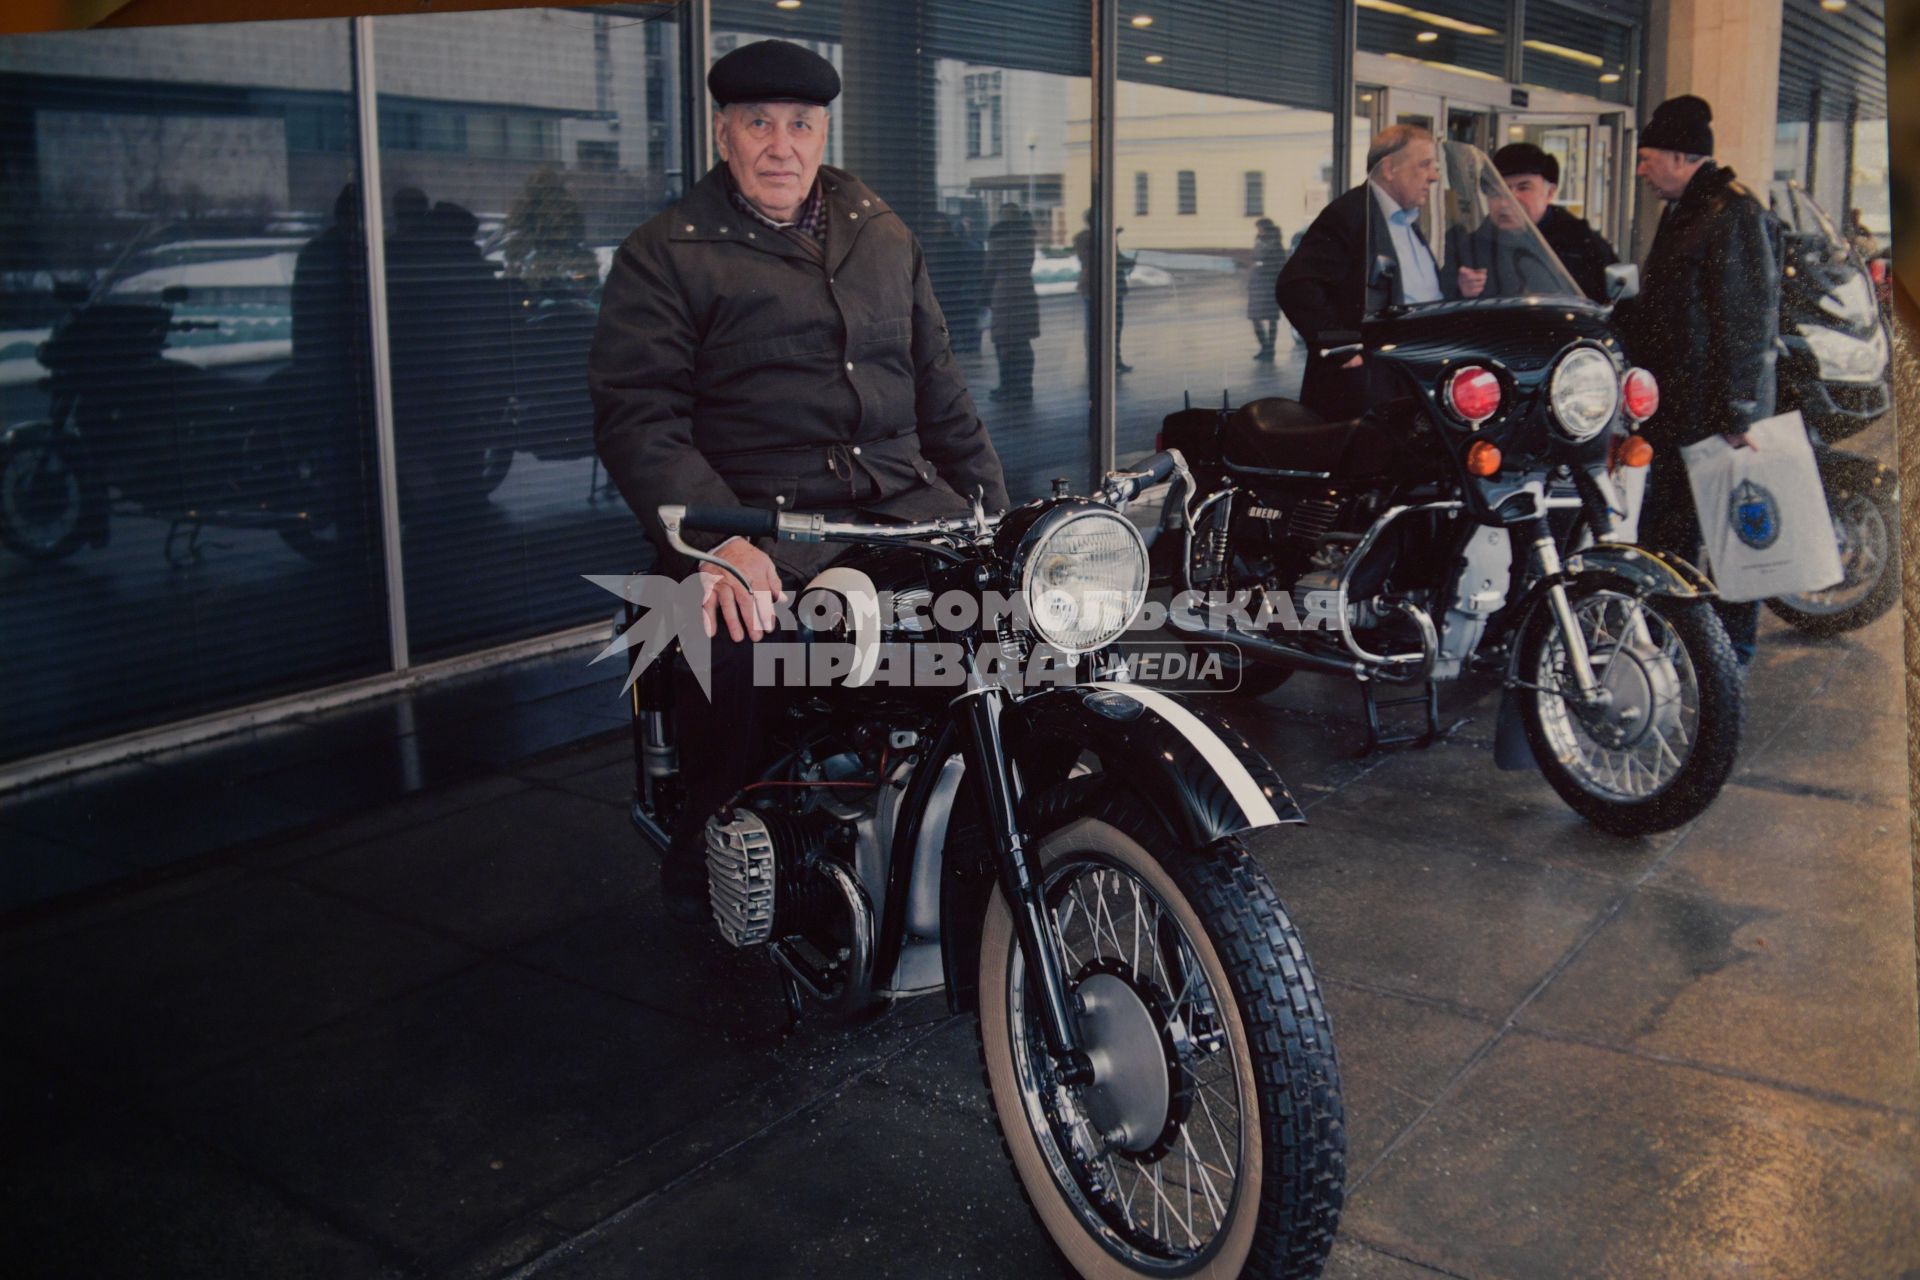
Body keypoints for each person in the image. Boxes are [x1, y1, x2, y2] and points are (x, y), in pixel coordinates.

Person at [588, 39, 1010, 916]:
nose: (781, 146)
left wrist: (995, 518)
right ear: (723, 134)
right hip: (749, 518)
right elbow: (641, 417)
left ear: (823, 133)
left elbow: (942, 390)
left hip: (897, 504)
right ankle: (720, 849)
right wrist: (720, 542)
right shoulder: (665, 253)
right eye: (759, 124)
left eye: (801, 125)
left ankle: (990, 820)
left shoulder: (881, 233)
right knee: (743, 641)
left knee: (1024, 615)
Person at [1614, 94, 1780, 667]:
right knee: (1676, 530)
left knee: (1732, 537)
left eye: (1647, 157)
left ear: (1683, 156)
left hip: (1714, 414)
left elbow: (1746, 318)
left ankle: (1730, 656)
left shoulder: (1732, 212)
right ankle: (1679, 643)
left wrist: (1738, 415)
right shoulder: (1686, 207)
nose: (1641, 170)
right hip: (1679, 409)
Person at [1276, 124, 1447, 420]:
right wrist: (1339, 344)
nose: (1434, 176)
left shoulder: (1404, 221)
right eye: (1424, 165)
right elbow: (1296, 285)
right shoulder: (1350, 214)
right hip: (1369, 387)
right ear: (1390, 168)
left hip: (1409, 376)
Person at [1489, 142, 1618, 302]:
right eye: (1499, 190)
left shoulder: (1583, 245)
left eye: (1523, 188)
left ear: (1549, 192)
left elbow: (1612, 307)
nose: (1508, 200)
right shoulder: (1470, 244)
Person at [985, 203, 1040, 402]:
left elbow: (990, 268)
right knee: (1023, 342)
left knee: (1004, 342)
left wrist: (982, 294)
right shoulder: (1028, 237)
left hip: (1004, 292)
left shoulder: (998, 238)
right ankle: (1025, 387)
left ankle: (1007, 387)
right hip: (1025, 290)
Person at [1072, 208, 1133, 374]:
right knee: (1095, 326)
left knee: (1115, 325)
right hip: (1094, 288)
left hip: (1113, 288)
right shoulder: (1085, 239)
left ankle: (1115, 360)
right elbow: (1097, 260)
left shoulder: (1105, 237)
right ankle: (1096, 361)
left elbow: (1116, 258)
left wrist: (1127, 262)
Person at [1247, 218, 1286, 361]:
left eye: (1259, 228)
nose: (1258, 231)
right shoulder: (1259, 241)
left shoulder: (1274, 243)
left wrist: (1261, 265)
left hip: (1269, 284)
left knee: (1271, 319)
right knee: (1255, 317)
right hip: (1257, 285)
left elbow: (1279, 263)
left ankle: (1270, 348)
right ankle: (1265, 347)